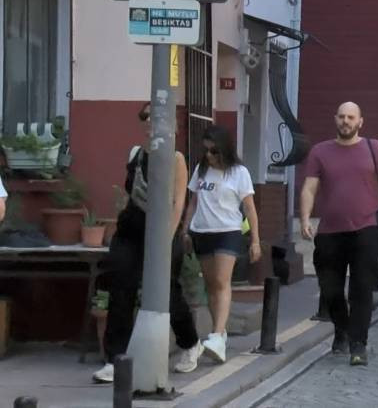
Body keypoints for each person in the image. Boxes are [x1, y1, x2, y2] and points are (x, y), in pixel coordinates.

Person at [93, 103, 201, 383]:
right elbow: (132, 194)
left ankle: (190, 343)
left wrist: (164, 239)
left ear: (170, 125)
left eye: (155, 117)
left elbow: (178, 202)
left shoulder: (175, 158)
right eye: (146, 118)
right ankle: (115, 359)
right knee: (121, 290)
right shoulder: (136, 154)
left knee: (167, 293)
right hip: (130, 230)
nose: (149, 123)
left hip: (162, 234)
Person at [299, 101, 378, 366]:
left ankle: (359, 344)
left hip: (366, 229)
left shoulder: (375, 149)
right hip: (330, 232)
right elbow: (309, 188)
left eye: (351, 117)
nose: (346, 121)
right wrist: (304, 218)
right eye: (341, 117)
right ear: (335, 119)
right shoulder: (320, 152)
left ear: (360, 122)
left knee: (361, 290)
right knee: (331, 289)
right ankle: (342, 329)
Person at [183, 125, 260, 363]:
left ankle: (216, 334)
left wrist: (255, 239)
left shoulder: (239, 173)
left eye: (214, 151)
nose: (209, 156)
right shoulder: (201, 170)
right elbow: (194, 202)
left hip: (228, 231)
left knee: (221, 281)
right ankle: (221, 333)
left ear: (224, 149)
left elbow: (249, 208)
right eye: (206, 150)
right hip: (202, 231)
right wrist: (185, 230)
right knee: (210, 285)